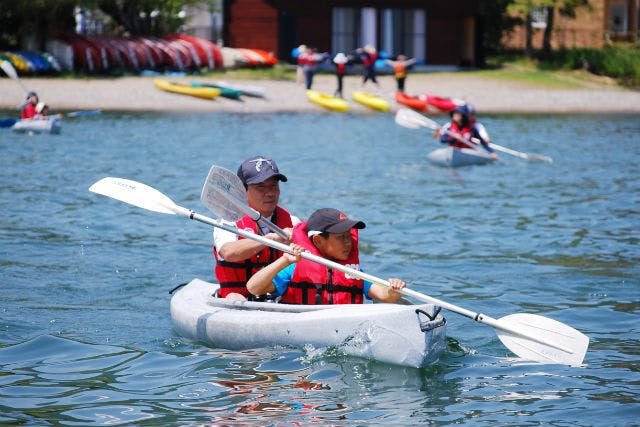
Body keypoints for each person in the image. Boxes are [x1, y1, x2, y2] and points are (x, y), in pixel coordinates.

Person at [246, 208, 406, 304]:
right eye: (340, 237)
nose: (348, 242)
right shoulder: (294, 268)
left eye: (348, 236)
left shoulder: (352, 272)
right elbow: (253, 288)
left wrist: (393, 290)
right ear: (318, 240)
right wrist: (284, 260)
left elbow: (383, 295)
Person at [213, 155, 298, 301]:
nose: (270, 193)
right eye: (260, 187)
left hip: (277, 295)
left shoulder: (292, 222)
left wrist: (297, 243)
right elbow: (229, 253)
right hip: (239, 295)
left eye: (273, 186)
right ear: (243, 190)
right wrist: (269, 239)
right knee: (235, 297)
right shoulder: (228, 222)